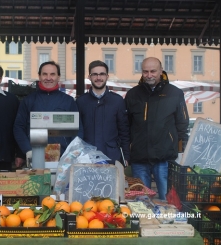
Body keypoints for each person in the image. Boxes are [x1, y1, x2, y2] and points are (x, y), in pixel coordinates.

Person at [125, 57, 189, 200]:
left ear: (161, 71)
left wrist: (181, 150)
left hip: (165, 157)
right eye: (145, 71)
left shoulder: (175, 93)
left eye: (153, 71)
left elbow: (182, 124)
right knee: (141, 202)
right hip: (139, 157)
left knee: (168, 201)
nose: (149, 75)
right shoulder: (132, 94)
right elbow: (126, 125)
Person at [13, 61, 79, 165]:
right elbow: (18, 127)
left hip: (63, 158)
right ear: (39, 76)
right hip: (35, 156)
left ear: (58, 77)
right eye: (45, 74)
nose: (48, 78)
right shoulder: (28, 101)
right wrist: (27, 150)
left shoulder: (68, 101)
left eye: (52, 74)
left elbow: (77, 129)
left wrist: (72, 152)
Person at [76, 60, 130, 165]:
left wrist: (126, 156)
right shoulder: (81, 101)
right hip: (87, 158)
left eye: (102, 74)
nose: (98, 78)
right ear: (89, 77)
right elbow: (77, 132)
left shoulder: (117, 101)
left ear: (107, 76)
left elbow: (124, 131)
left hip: (112, 157)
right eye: (94, 74)